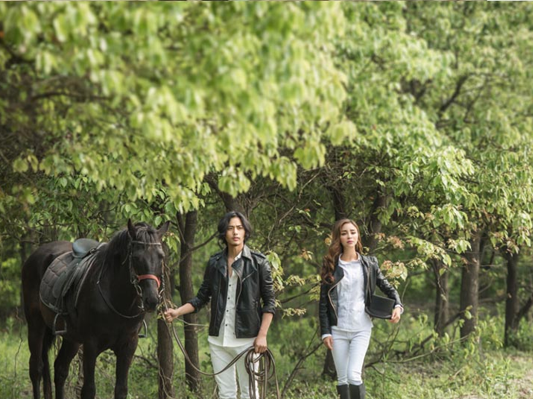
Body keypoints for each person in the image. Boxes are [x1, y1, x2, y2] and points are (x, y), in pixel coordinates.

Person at [164, 211, 276, 399]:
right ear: (224, 232)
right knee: (226, 394)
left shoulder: (259, 263)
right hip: (219, 340)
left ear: (245, 232)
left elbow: (270, 303)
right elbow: (201, 298)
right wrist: (177, 312)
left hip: (247, 340)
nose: (235, 232)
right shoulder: (215, 263)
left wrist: (262, 336)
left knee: (251, 393)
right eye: (231, 228)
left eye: (239, 228)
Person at [319, 218, 403, 399]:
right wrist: (325, 332)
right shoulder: (331, 265)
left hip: (361, 328)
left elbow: (387, 287)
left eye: (352, 232)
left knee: (353, 376)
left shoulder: (369, 264)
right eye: (344, 233)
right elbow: (324, 303)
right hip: (338, 330)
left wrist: (397, 305)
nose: (349, 236)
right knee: (342, 380)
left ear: (357, 235)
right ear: (338, 238)